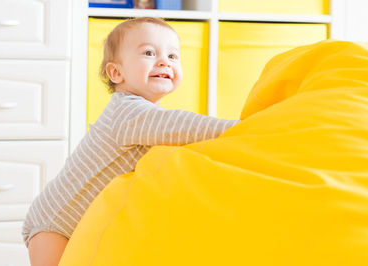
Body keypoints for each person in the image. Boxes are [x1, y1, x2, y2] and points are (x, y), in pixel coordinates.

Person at [22, 17, 240, 265]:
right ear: (116, 72)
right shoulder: (127, 112)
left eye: (173, 56)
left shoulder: (144, 115)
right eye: (149, 52)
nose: (163, 62)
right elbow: (186, 126)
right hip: (56, 223)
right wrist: (244, 128)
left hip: (88, 225)